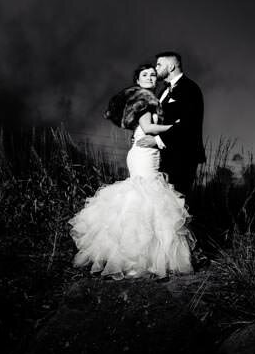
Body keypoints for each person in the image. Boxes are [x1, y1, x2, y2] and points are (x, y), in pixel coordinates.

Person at [69, 63, 194, 279]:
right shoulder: (145, 99)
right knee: (145, 198)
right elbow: (148, 129)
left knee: (145, 199)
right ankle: (138, 261)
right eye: (144, 75)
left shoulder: (147, 99)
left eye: (153, 74)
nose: (150, 77)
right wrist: (180, 127)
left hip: (145, 153)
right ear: (137, 80)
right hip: (143, 155)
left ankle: (141, 259)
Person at [136, 51, 206, 196]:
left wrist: (156, 140)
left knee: (176, 205)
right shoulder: (163, 91)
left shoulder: (190, 89)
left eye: (159, 65)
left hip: (182, 156)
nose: (156, 69)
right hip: (161, 157)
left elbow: (190, 125)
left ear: (171, 67)